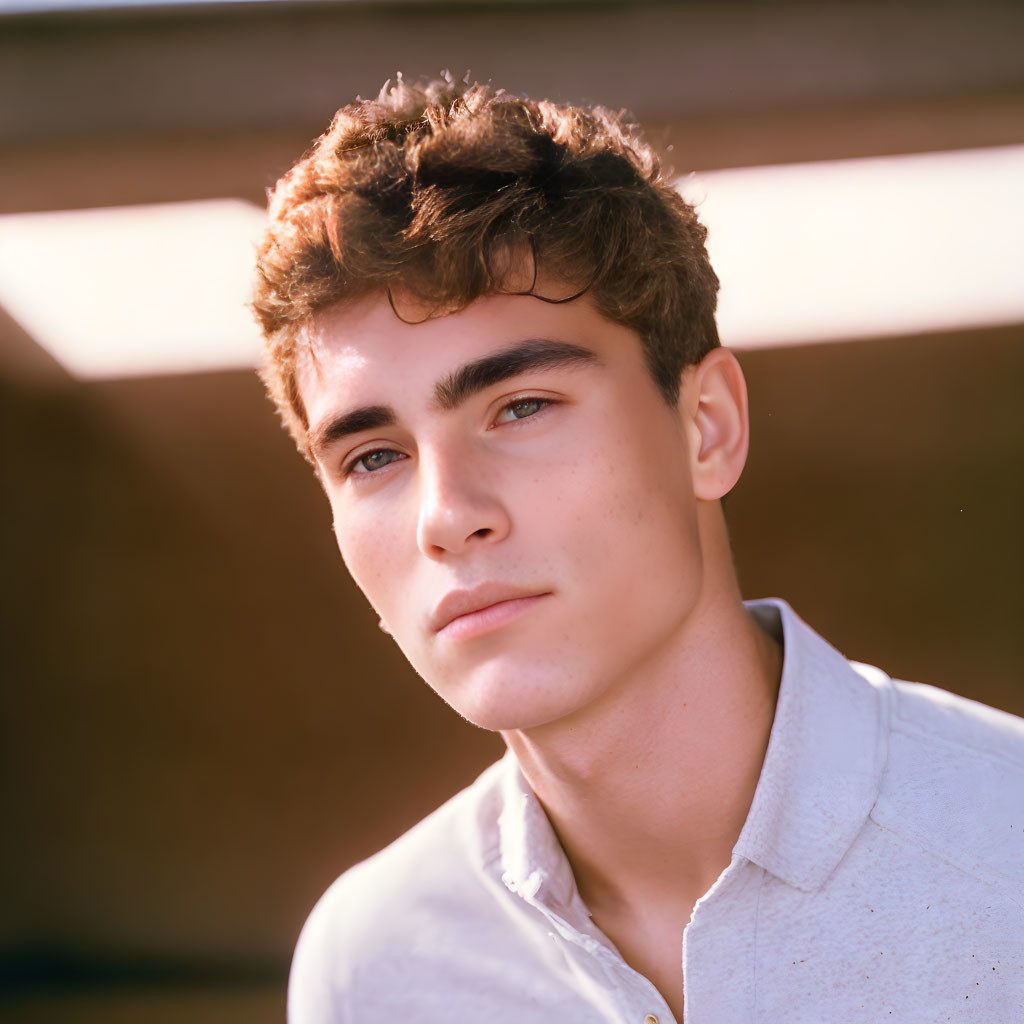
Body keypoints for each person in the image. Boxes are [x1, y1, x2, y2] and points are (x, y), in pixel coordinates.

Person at [252, 79, 1023, 1023]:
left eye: (521, 406)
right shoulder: (371, 970)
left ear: (706, 427)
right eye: (373, 457)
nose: (445, 516)